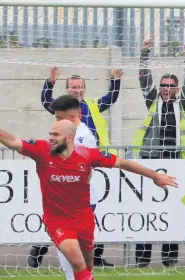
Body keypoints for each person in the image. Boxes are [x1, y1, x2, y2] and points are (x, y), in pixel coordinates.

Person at [0, 111, 178, 280]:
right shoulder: (41, 150)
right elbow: (12, 141)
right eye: (50, 133)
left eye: (55, 135)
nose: (51, 138)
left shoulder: (87, 155)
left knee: (87, 266)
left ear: (69, 137)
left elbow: (123, 163)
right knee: (77, 261)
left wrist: (155, 176)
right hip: (57, 220)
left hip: (83, 218)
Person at [28, 67, 123, 269]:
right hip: (64, 169)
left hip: (87, 168)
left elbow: (111, 98)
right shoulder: (62, 110)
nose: (77, 90)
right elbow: (46, 102)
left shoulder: (92, 106)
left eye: (80, 87)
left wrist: (115, 81)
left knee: (86, 218)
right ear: (67, 89)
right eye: (73, 87)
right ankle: (40, 250)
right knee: (62, 219)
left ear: (84, 89)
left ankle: (89, 262)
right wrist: (49, 83)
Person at [132, 37, 185, 268]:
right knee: (148, 208)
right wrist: (144, 53)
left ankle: (170, 258)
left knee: (172, 210)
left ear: (176, 89)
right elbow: (143, 80)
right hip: (151, 160)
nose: (166, 89)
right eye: (163, 85)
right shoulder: (153, 102)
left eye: (170, 85)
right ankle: (142, 259)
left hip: (175, 162)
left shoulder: (183, 105)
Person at [48, 94, 102, 280]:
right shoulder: (64, 133)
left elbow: (87, 169)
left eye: (60, 117)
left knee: (77, 249)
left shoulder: (84, 136)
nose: (57, 122)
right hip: (62, 199)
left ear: (72, 116)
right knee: (63, 246)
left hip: (81, 199)